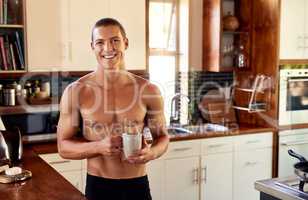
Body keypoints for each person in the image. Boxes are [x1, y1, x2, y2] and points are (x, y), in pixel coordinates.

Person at [57, 18, 169, 200]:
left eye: (115, 40)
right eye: (100, 42)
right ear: (92, 46)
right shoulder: (76, 92)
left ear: (125, 43)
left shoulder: (148, 91)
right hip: (99, 186)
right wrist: (99, 147)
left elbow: (163, 137)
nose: (108, 48)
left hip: (137, 186)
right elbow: (63, 147)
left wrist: (152, 152)